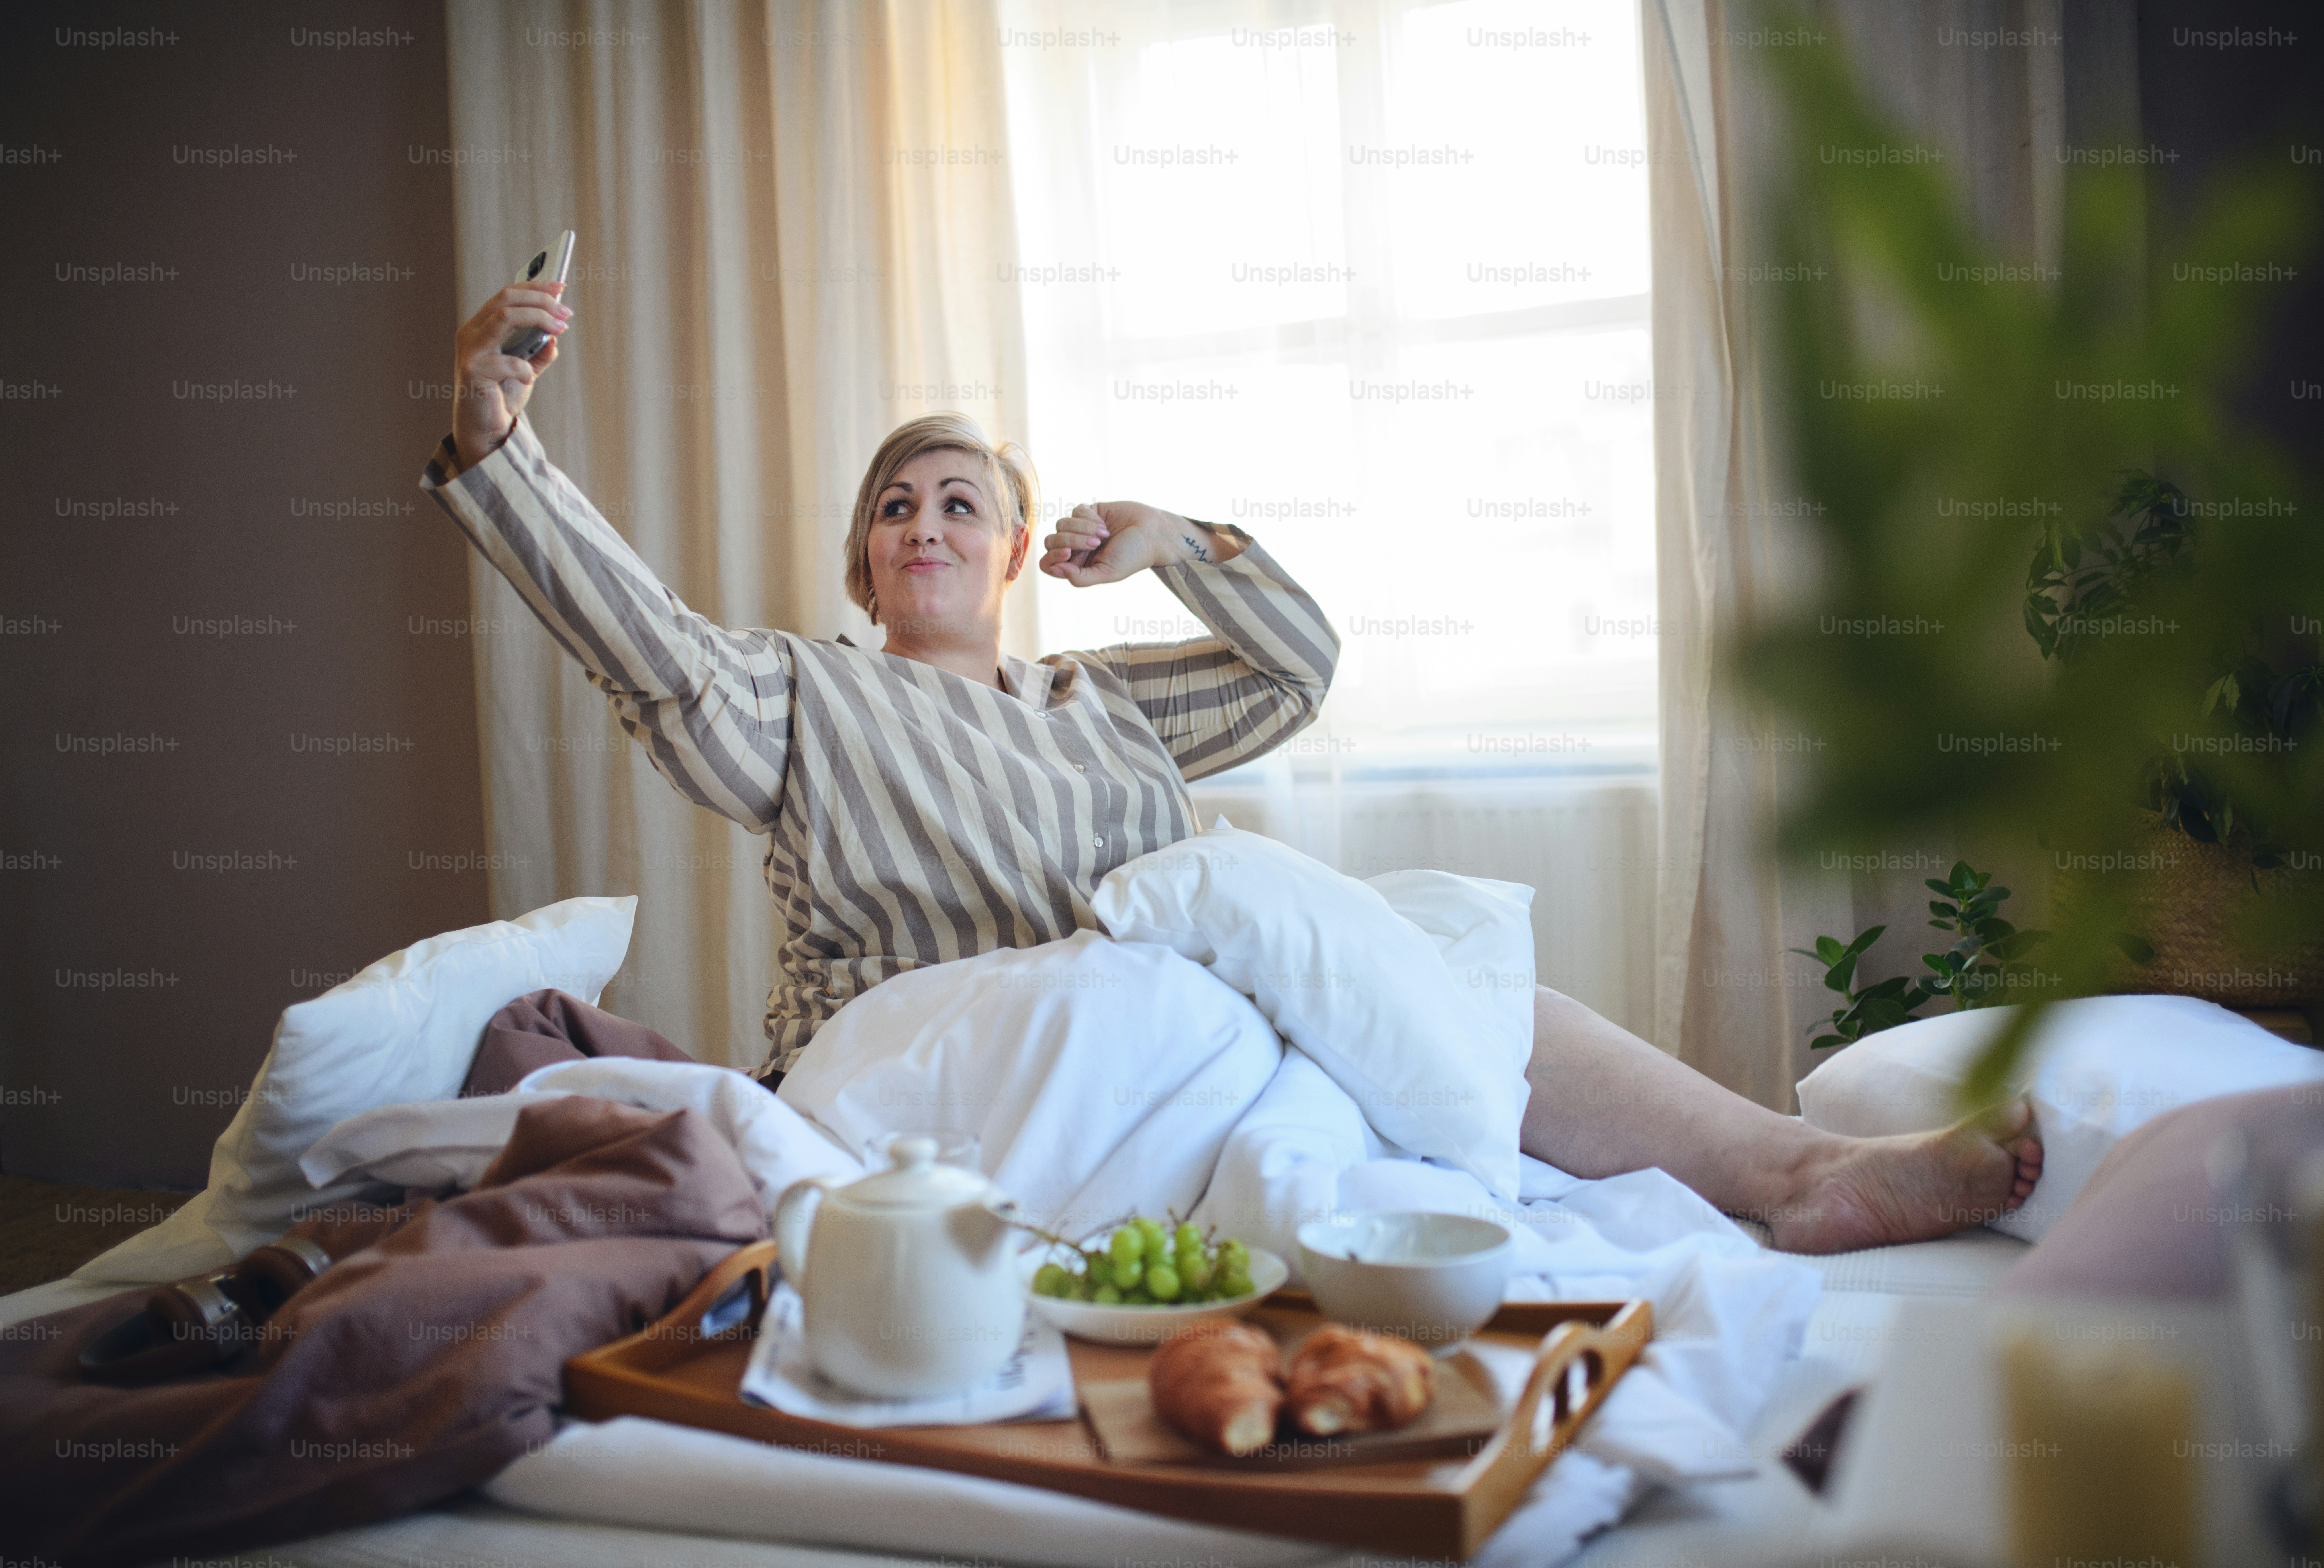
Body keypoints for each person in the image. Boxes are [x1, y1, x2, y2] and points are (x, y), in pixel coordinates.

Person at [421, 277, 2042, 1256]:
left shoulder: (1103, 706)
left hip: (1152, 1040)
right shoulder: (799, 697)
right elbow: (650, 648)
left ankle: (1804, 1168)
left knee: (1446, 949)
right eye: (895, 507)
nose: (924, 522)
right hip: (916, 1069)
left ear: (1015, 557)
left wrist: (1180, 541)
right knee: (1230, 931)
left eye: (960, 503)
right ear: (862, 568)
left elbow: (1297, 668)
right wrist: (503, 435)